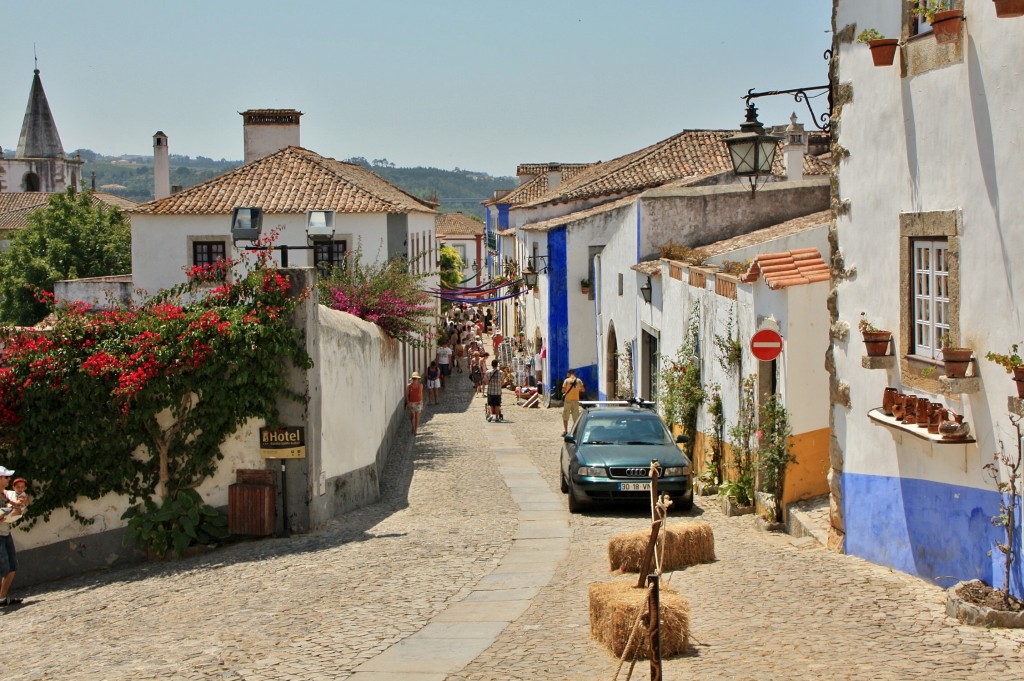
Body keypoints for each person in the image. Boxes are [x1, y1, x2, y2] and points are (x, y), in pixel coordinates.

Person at [0, 467, 25, 606]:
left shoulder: (7, 494)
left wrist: (18, 506)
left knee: (12, 568)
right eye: (6, 477)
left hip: (5, 533)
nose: (9, 479)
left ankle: (2, 598)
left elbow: (17, 507)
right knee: (2, 568)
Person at [561, 369, 585, 435]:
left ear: (569, 373)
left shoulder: (566, 381)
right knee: (576, 417)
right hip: (575, 400)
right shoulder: (579, 380)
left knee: (565, 416)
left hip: (568, 400)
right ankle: (576, 431)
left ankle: (566, 431)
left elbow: (563, 391)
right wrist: (577, 390)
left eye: (567, 373)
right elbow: (583, 390)